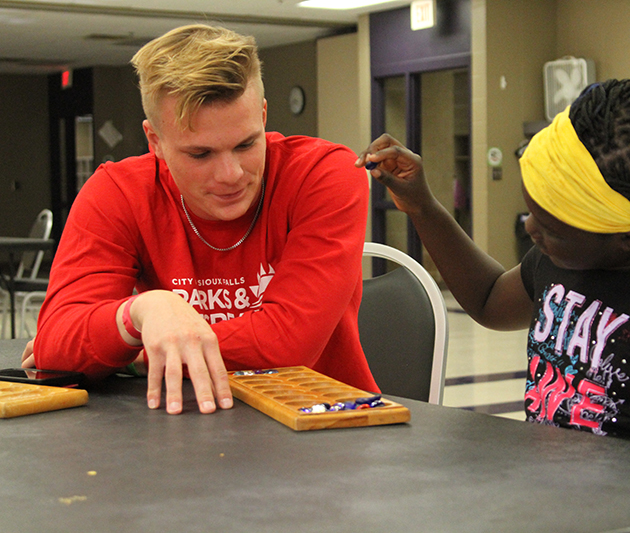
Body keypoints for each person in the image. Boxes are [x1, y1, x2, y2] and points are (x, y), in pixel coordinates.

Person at [356, 79, 630, 461]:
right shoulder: (564, 258)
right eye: (532, 214)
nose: (530, 230)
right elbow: (489, 300)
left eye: (550, 229)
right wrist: (422, 205)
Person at [23, 24, 378, 414]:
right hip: (179, 429)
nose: (231, 175)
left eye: (246, 144)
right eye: (200, 154)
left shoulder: (324, 174)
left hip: (326, 428)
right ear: (154, 141)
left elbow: (288, 344)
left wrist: (134, 351)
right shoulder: (118, 192)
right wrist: (142, 311)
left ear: (263, 115)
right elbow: (55, 348)